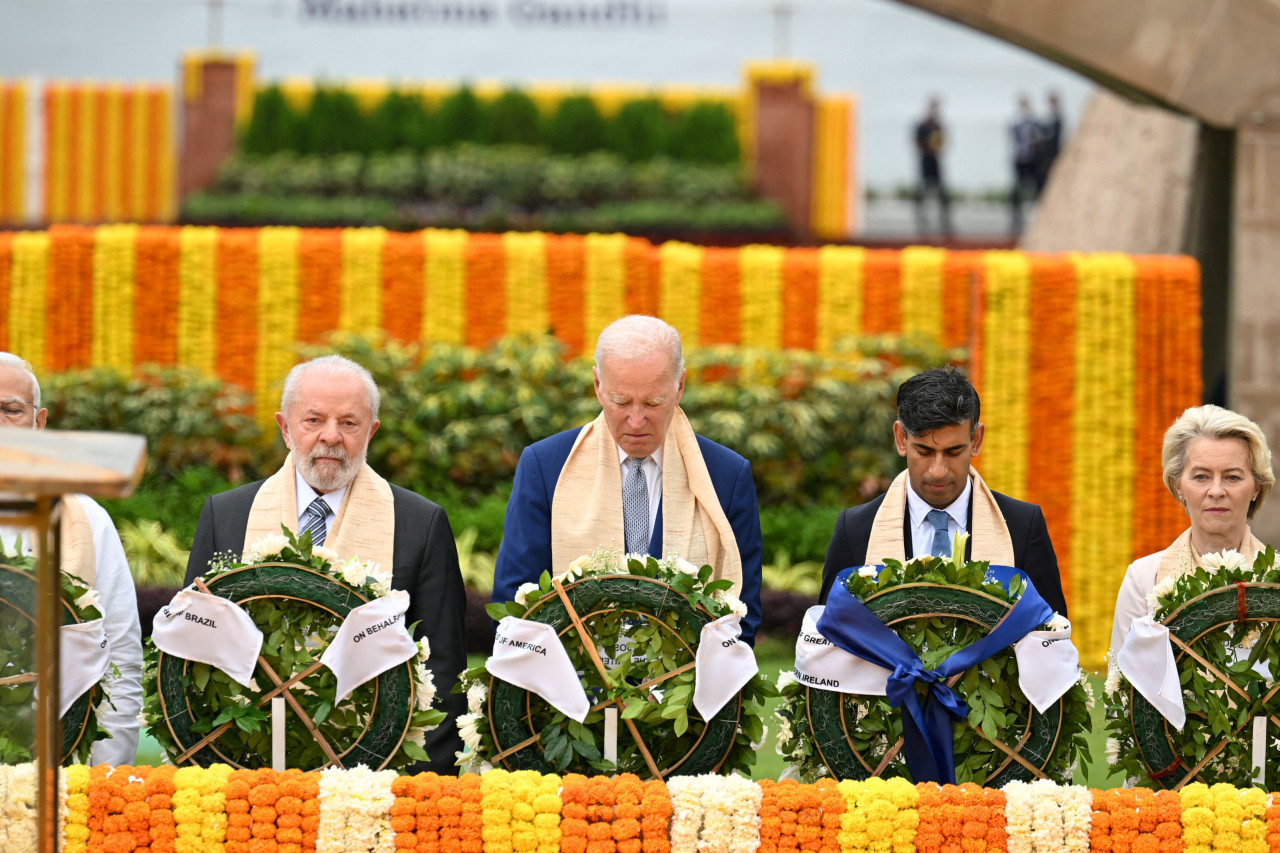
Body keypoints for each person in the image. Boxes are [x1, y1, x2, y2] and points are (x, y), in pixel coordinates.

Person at [184, 354, 466, 772]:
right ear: (285, 427)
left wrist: (415, 791)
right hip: (248, 762)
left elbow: (443, 671)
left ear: (371, 432)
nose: (331, 437)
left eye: (349, 424)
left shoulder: (419, 524)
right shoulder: (226, 515)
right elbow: (192, 648)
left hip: (379, 767)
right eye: (313, 420)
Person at [492, 315, 764, 640]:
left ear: (680, 386)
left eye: (653, 402)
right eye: (621, 401)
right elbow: (514, 603)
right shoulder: (545, 466)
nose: (636, 421)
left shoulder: (726, 475)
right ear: (597, 386)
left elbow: (742, 613)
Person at [818, 366, 1068, 616]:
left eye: (953, 452)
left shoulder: (1022, 527)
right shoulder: (855, 529)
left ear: (976, 440)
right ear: (900, 439)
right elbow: (825, 641)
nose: (938, 471)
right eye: (924, 452)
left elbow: (1053, 637)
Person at [0, 352, 143, 766]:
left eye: (10, 410)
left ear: (38, 424)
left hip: (61, 762)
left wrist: (105, 776)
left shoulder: (86, 519)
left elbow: (120, 657)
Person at [1109, 405, 1274, 658]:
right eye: (1201, 477)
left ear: (1255, 489)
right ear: (1179, 488)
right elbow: (1124, 689)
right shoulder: (1143, 579)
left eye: (1232, 477)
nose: (1216, 491)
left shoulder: (1276, 578)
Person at [913, 96, 953, 236]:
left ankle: (945, 221)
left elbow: (944, 143)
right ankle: (921, 220)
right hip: (925, 160)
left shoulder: (938, 125)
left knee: (942, 192)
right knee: (922, 191)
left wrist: (938, 148)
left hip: (936, 161)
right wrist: (928, 148)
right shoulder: (923, 126)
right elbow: (916, 142)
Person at [1009, 94, 1041, 234]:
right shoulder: (1016, 123)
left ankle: (1035, 213)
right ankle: (1016, 216)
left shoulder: (1033, 123)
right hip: (1020, 158)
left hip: (1031, 159)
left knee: (1034, 186)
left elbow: (1037, 139)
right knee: (1017, 188)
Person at [1034, 91, 1063, 197]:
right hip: (1044, 153)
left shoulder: (1057, 117)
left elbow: (1055, 137)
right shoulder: (1047, 117)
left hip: (1052, 152)